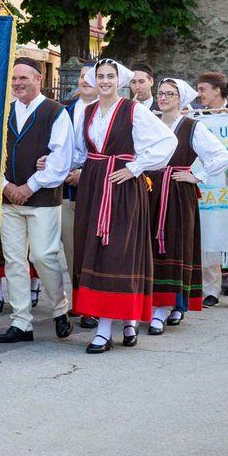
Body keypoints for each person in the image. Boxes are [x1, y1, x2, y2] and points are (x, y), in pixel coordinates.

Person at [72, 59, 176, 352]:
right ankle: (123, 319)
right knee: (94, 250)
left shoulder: (133, 111)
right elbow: (81, 150)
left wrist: (136, 167)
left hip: (122, 187)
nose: (105, 81)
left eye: (110, 76)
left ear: (120, 80)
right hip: (94, 186)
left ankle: (108, 328)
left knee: (118, 252)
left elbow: (166, 141)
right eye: (100, 76)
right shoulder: (88, 111)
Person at [0, 58, 74, 344]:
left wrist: (29, 186)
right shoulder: (4, 112)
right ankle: (21, 322)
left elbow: (60, 159)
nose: (17, 83)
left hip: (41, 199)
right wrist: (6, 187)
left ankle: (59, 308)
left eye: (23, 78)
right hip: (9, 199)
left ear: (39, 79)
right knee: (14, 260)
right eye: (14, 78)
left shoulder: (55, 112)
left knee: (43, 255)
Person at [148, 78, 228, 331]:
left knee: (174, 247)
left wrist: (197, 176)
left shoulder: (192, 127)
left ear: (180, 98)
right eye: (160, 93)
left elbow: (221, 156)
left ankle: (170, 305)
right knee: (149, 247)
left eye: (169, 94)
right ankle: (155, 303)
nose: (163, 98)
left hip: (177, 194)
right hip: (150, 191)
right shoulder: (150, 123)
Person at [193, 71, 228, 307]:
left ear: (217, 90)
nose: (199, 94)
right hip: (208, 181)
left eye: (203, 89)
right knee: (209, 235)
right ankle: (211, 289)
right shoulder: (197, 116)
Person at [62, 62, 98, 330]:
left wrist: (84, 173)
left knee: (93, 246)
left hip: (97, 187)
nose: (84, 80)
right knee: (72, 247)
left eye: (91, 76)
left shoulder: (109, 112)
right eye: (82, 76)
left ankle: (94, 304)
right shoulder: (65, 110)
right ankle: (76, 299)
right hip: (66, 187)